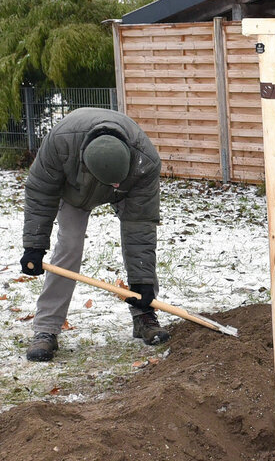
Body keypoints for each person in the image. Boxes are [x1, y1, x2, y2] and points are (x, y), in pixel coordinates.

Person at [20, 108, 168, 361]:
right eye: (112, 182)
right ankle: (46, 329)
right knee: (69, 244)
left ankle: (144, 315)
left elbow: (140, 226)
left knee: (138, 243)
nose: (115, 185)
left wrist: (142, 283)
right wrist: (34, 245)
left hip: (128, 190)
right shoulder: (60, 143)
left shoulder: (145, 161)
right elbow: (41, 192)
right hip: (73, 190)